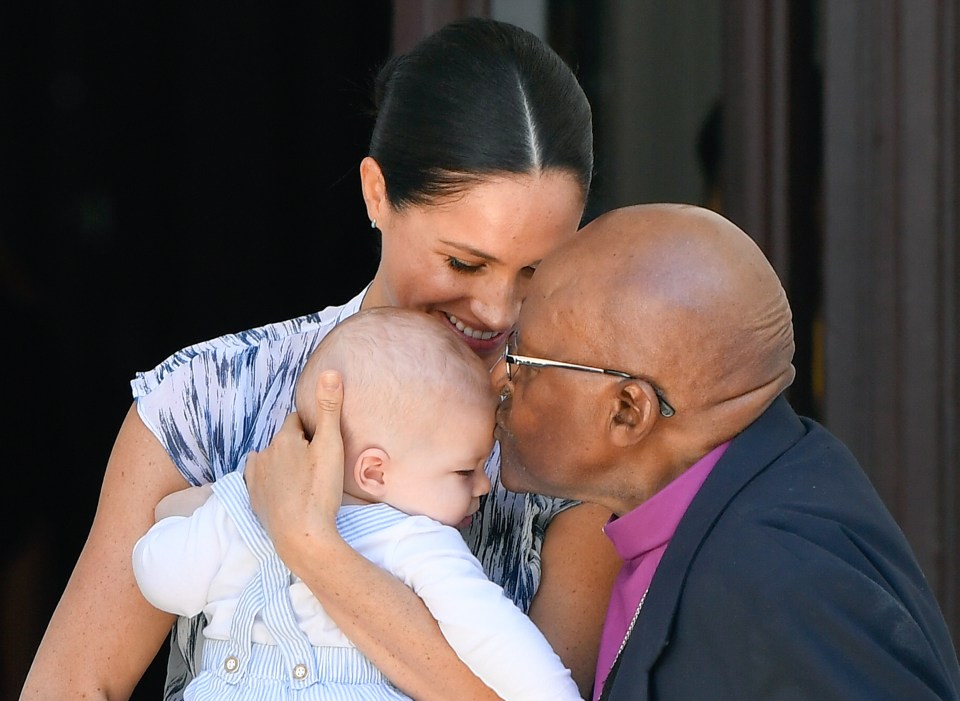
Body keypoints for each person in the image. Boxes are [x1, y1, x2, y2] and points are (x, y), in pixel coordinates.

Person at [22, 17, 619, 701]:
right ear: (376, 193)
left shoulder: (575, 441)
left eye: (536, 271)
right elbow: (73, 683)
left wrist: (313, 548)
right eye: (464, 261)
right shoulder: (209, 398)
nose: (498, 310)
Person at [488, 203, 960, 700]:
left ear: (628, 411)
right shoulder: (751, 491)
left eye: (525, 360)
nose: (502, 378)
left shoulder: (778, 583)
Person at [132, 308, 582, 700]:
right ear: (374, 472)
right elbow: (498, 643)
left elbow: (161, 579)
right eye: (465, 471)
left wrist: (219, 502)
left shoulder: (243, 508)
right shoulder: (418, 541)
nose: (484, 485)